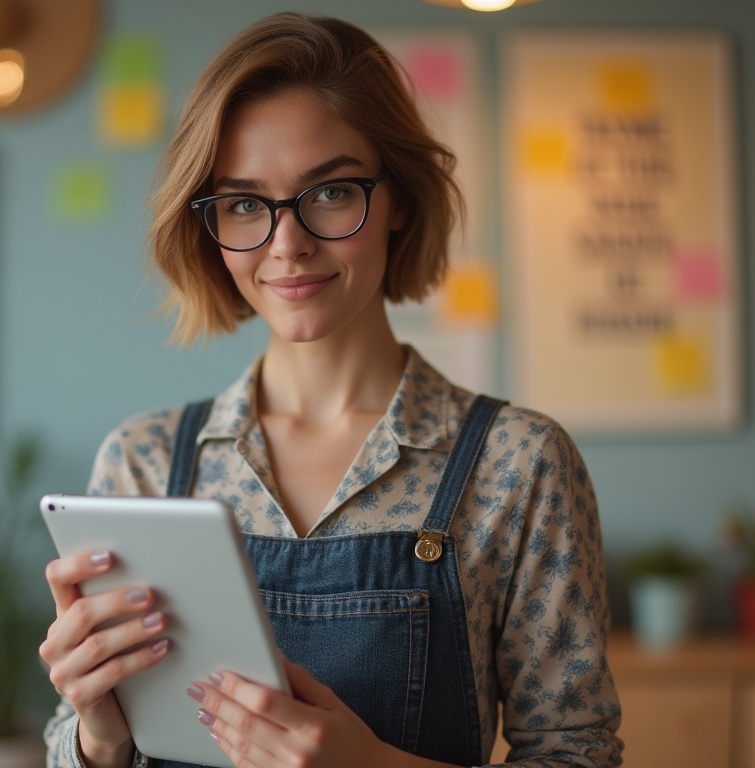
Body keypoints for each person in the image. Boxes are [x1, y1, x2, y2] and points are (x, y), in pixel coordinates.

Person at [40, 12, 622, 768]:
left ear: (399, 199)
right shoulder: (143, 464)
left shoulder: (520, 463)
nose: (288, 245)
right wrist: (95, 737)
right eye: (245, 204)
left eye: (332, 192)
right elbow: (75, 746)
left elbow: (578, 754)